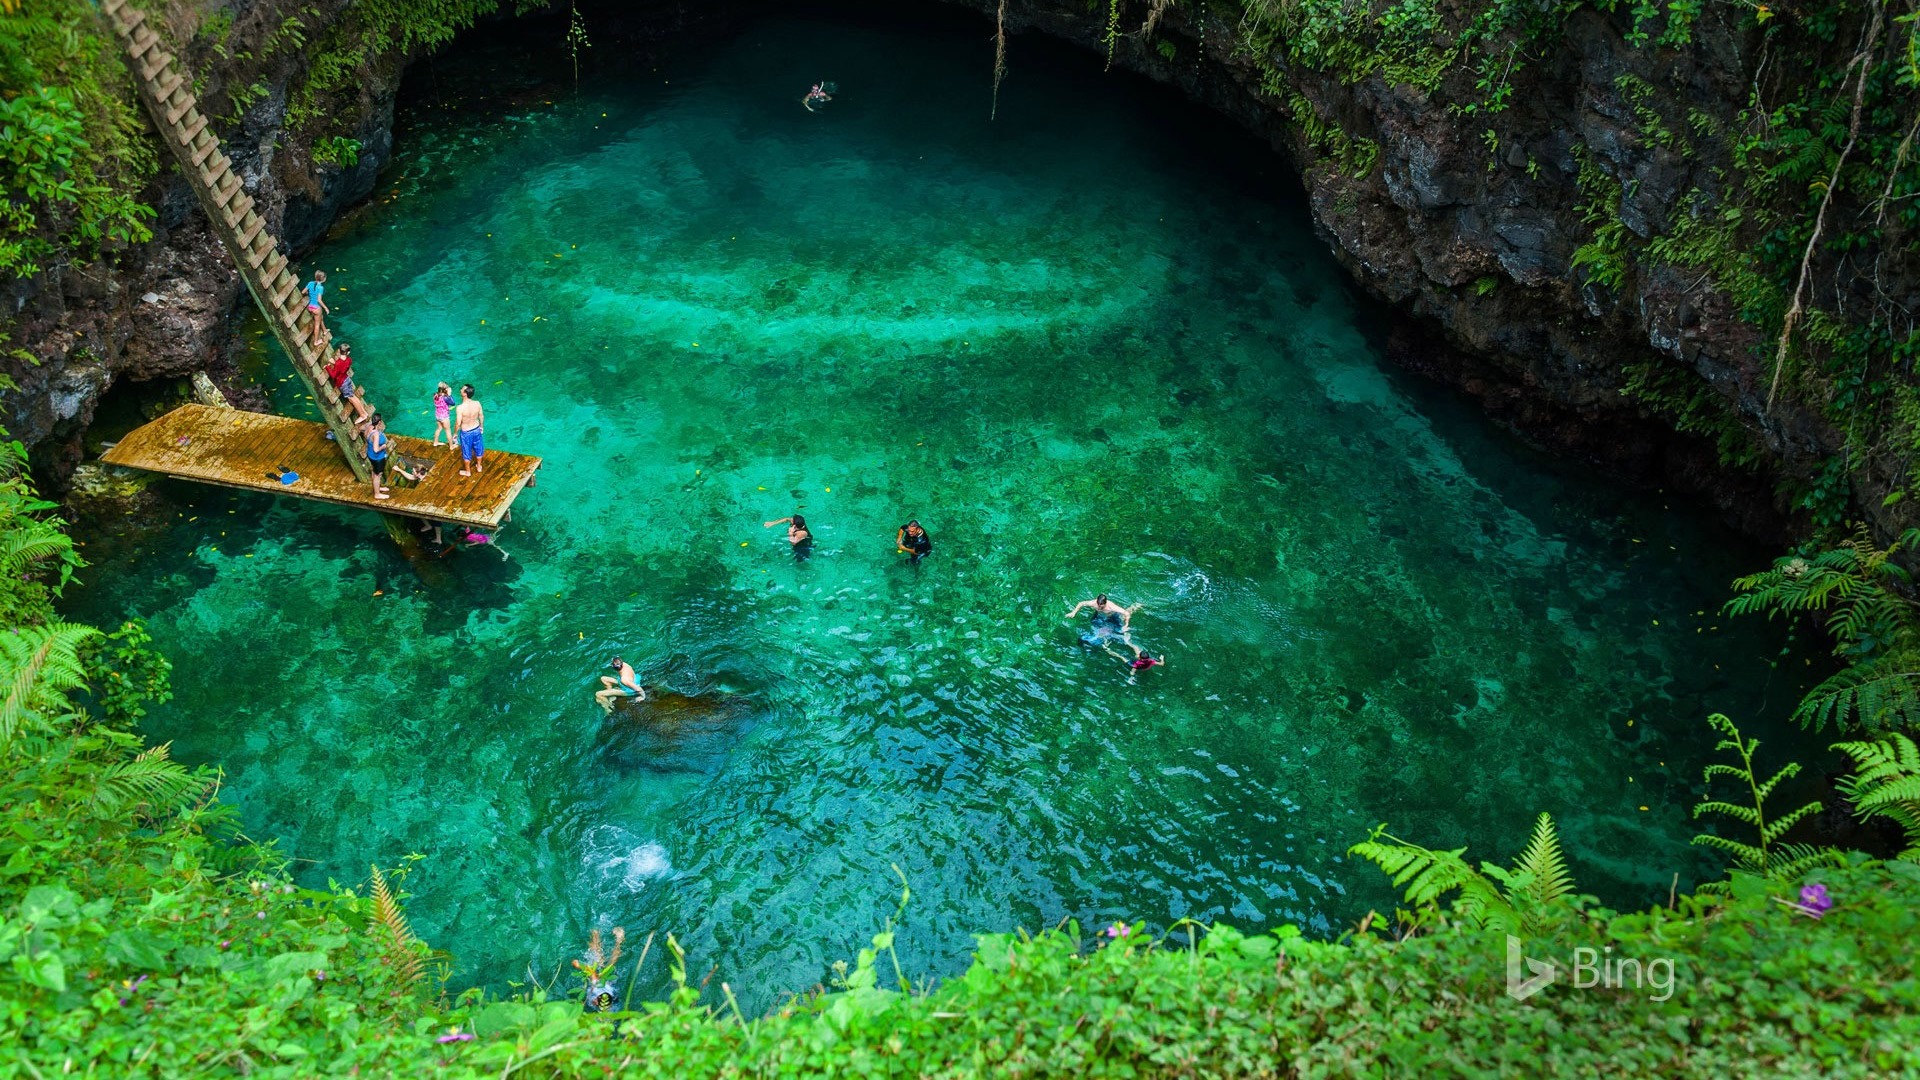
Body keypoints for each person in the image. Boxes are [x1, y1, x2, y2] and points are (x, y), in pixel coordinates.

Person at [1067, 593, 1142, 651]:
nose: (1099, 607)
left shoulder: (1111, 607)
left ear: (1105, 603)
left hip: (1112, 616)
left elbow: (1126, 613)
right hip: (1100, 616)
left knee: (1119, 629)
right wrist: (1074, 612)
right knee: (1094, 624)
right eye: (1098, 605)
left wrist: (1126, 625)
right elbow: (1081, 603)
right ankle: (1104, 639)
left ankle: (1135, 606)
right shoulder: (1093, 603)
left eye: (1101, 606)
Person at [325, 344, 371, 422]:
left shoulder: (338, 363)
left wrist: (327, 367)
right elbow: (342, 368)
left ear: (339, 351)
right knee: (353, 397)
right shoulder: (349, 360)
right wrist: (335, 363)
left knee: (351, 399)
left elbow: (333, 375)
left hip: (343, 383)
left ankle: (362, 415)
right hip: (347, 379)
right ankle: (364, 413)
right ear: (348, 352)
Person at [455, 384, 485, 477]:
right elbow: (481, 416)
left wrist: (455, 433)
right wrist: (481, 426)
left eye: (462, 389)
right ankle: (479, 466)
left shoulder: (460, 408)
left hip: (466, 432)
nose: (460, 390)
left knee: (466, 451)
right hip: (476, 429)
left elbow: (458, 423)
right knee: (478, 447)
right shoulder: (477, 403)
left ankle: (468, 472)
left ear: (465, 394)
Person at [365, 414, 392, 500]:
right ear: (379, 422)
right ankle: (377, 494)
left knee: (374, 472)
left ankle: (377, 487)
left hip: (370, 455)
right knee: (378, 475)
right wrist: (383, 446)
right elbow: (376, 449)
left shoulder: (369, 426)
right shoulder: (376, 434)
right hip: (377, 457)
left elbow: (361, 429)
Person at [303, 270, 330, 346]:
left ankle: (324, 330)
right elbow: (319, 300)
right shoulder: (320, 287)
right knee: (317, 324)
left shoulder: (310, 283)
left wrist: (308, 293)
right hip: (316, 308)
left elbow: (303, 292)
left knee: (320, 317)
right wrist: (326, 308)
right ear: (323, 279)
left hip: (310, 307)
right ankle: (316, 341)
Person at [431, 382, 454, 447]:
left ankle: (435, 442)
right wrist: (449, 394)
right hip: (444, 417)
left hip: (438, 415)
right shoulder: (445, 397)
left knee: (439, 428)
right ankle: (451, 446)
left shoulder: (435, 395)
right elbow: (453, 403)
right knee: (448, 431)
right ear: (445, 389)